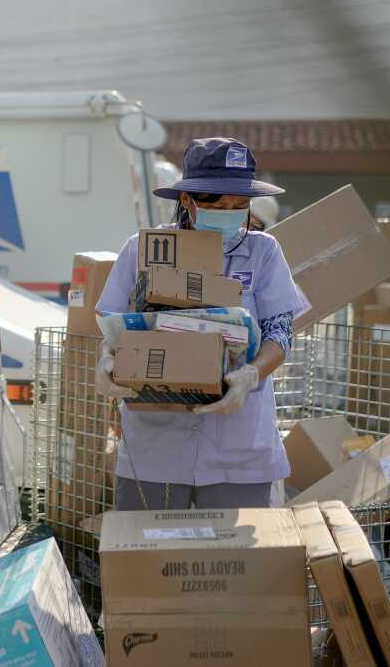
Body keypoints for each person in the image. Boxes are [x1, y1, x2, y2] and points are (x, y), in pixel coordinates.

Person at [93, 138, 306, 510]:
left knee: (232, 563)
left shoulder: (263, 251)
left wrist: (250, 376)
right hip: (155, 445)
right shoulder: (143, 249)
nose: (230, 213)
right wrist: (107, 361)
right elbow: (113, 322)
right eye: (218, 204)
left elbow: (280, 330)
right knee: (149, 557)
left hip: (238, 447)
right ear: (187, 201)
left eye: (239, 206)